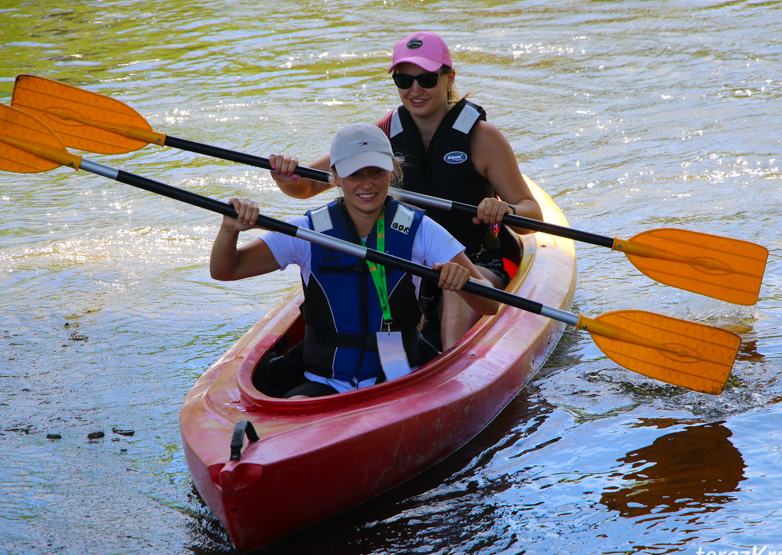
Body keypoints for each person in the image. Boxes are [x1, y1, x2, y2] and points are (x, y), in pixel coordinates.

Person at [269, 31, 542, 351]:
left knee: (455, 284)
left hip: (472, 265)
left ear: (448, 77)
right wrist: (283, 173)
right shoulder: (381, 135)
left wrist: (506, 211)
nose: (415, 90)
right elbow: (305, 187)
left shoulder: (483, 138)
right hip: (404, 263)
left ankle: (449, 365)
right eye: (403, 80)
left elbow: (531, 212)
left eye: (427, 79)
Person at [211, 122, 499, 399]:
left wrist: (463, 284)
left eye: (376, 171)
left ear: (392, 170)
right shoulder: (308, 231)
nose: (367, 184)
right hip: (325, 378)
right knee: (298, 404)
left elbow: (490, 303)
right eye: (354, 174)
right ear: (334, 177)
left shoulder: (422, 230)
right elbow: (226, 270)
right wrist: (229, 230)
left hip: (400, 375)